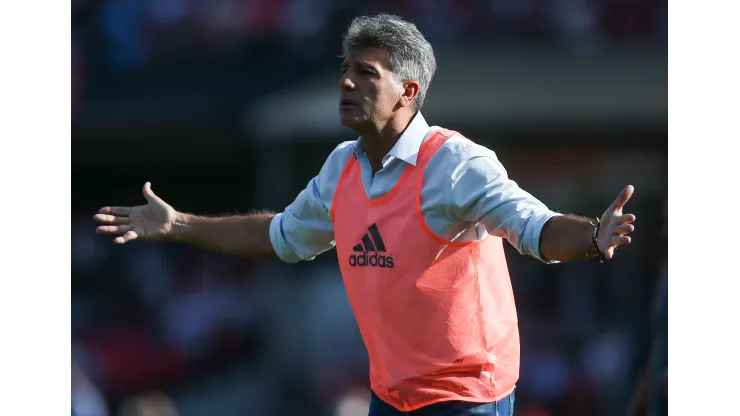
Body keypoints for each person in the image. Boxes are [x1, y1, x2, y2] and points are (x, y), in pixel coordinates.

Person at [94, 14, 637, 416]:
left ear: (409, 91)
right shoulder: (340, 169)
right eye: (346, 70)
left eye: (366, 73)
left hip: (466, 395)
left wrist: (593, 234)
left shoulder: (454, 163)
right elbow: (282, 235)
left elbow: (535, 228)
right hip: (391, 396)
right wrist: (180, 224)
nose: (346, 82)